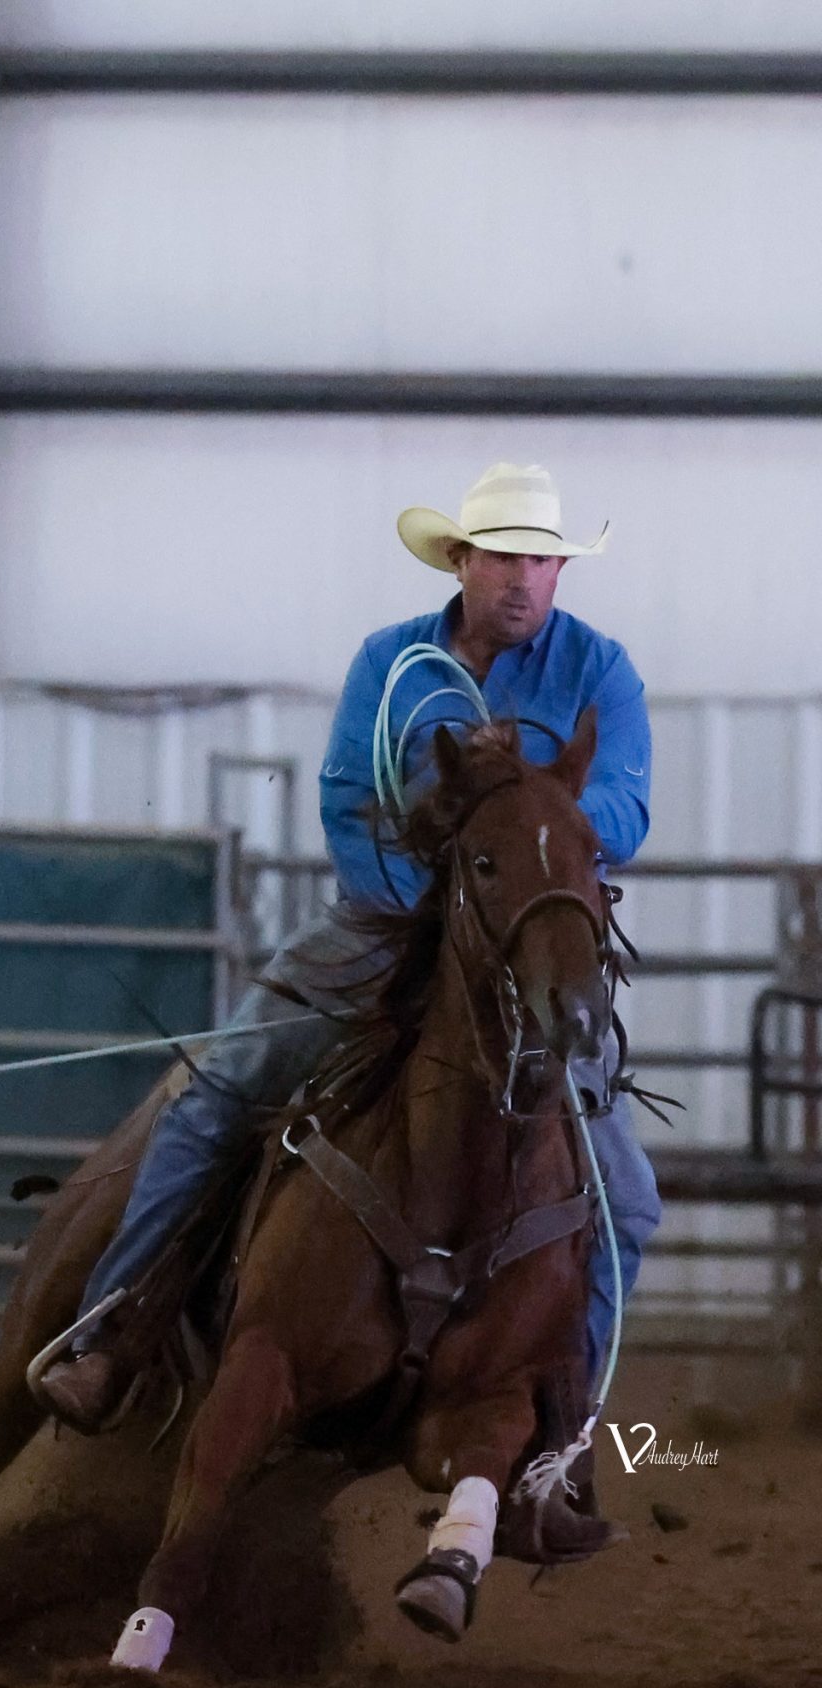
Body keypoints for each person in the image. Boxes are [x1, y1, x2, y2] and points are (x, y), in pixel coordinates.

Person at [33, 464, 664, 1503]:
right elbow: (344, 807)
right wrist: (424, 909)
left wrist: (529, 806)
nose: (522, 577)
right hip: (381, 927)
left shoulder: (600, 673)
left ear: (560, 571)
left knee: (626, 1203)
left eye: (541, 558)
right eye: (502, 554)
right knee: (216, 1092)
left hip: (523, 951)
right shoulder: (392, 665)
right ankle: (112, 1328)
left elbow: (621, 819)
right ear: (460, 561)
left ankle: (558, 1442)